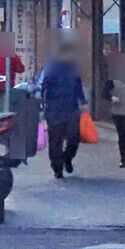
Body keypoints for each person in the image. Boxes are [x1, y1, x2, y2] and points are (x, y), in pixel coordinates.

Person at [39, 44, 86, 179]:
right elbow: (43, 87)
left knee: (74, 137)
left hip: (71, 108)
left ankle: (67, 158)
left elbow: (78, 85)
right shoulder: (51, 67)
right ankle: (57, 168)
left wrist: (82, 101)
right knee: (55, 140)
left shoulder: (73, 67)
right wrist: (42, 106)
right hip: (54, 109)